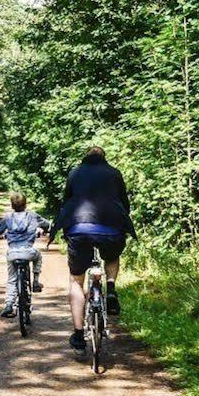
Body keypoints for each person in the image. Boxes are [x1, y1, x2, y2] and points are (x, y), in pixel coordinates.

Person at [48, 145, 135, 354]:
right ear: (104, 158)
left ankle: (78, 335)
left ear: (85, 158)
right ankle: (111, 289)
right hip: (111, 229)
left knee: (76, 281)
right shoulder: (114, 173)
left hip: (79, 229)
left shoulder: (75, 173)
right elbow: (124, 203)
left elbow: (66, 202)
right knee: (112, 257)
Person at [0, 192, 49, 319]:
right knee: (38, 256)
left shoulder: (8, 218)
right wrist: (46, 229)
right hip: (28, 251)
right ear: (25, 204)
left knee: (12, 279)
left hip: (12, 253)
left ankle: (9, 305)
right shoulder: (33, 216)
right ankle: (36, 282)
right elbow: (46, 224)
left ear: (12, 205)